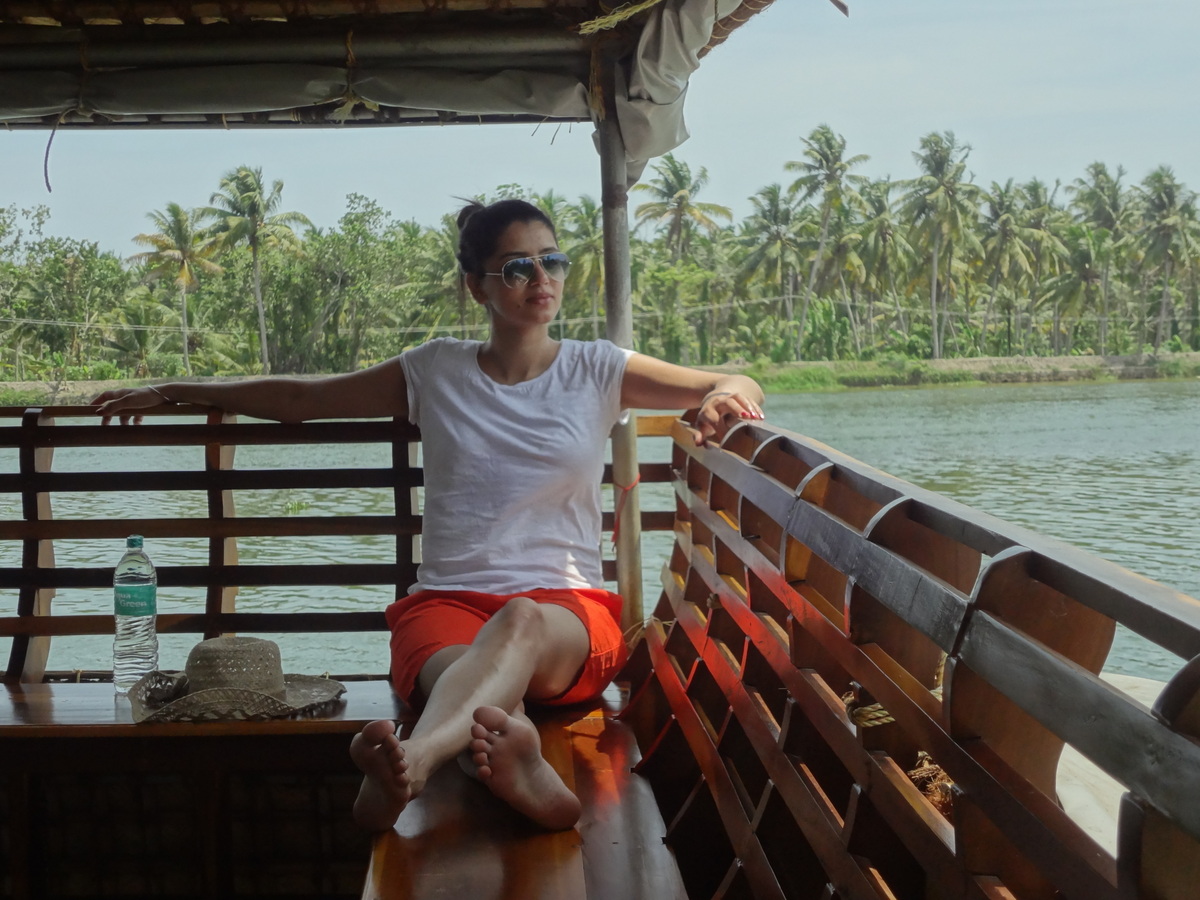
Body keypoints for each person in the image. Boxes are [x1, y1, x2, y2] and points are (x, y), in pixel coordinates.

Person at [93, 197, 765, 833]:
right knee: (479, 685)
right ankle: (517, 757)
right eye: (517, 267)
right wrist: (175, 387)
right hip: (445, 609)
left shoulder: (597, 369)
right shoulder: (435, 369)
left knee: (519, 622)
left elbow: (732, 380)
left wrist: (724, 398)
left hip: (567, 613)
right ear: (477, 286)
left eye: (551, 260)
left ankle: (411, 762)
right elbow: (302, 396)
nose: (542, 278)